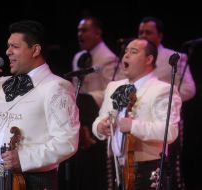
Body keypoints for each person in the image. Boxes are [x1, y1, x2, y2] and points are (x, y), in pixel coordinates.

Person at [0, 20, 80, 190]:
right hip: (1, 177)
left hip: (35, 180)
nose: (7, 52)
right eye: (8, 46)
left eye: (14, 46)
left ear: (35, 50)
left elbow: (67, 142)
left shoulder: (56, 87)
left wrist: (24, 158)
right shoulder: (4, 83)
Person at [92, 38, 182, 189]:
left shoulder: (163, 90)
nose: (126, 55)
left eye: (133, 52)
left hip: (148, 169)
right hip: (118, 168)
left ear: (149, 59)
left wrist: (133, 126)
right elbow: (99, 119)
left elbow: (170, 132)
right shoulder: (114, 86)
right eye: (125, 51)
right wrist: (101, 127)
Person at [138, 16, 196, 189]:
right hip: (141, 121)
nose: (143, 36)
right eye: (140, 32)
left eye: (148, 32)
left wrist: (165, 96)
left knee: (171, 164)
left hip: (167, 117)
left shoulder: (174, 57)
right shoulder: (135, 58)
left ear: (160, 36)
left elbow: (189, 88)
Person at [68, 16, 120, 190]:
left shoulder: (108, 58)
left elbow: (112, 89)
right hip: (81, 116)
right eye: (78, 30)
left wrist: (88, 98)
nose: (79, 34)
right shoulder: (79, 57)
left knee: (96, 165)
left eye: (84, 30)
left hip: (98, 114)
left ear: (97, 33)